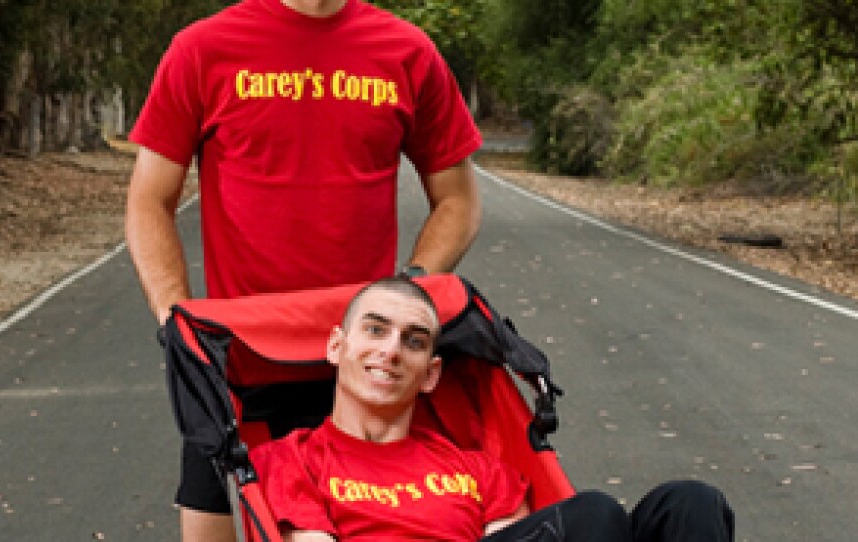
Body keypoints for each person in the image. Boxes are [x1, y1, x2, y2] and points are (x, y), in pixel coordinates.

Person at [125, 0, 482, 538]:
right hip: (236, 362)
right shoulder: (202, 49)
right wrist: (176, 318)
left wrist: (404, 293)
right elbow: (149, 201)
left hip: (360, 372)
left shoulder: (408, 52)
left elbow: (458, 200)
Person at [251, 277, 736, 541]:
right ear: (336, 347)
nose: (391, 351)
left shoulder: (477, 469)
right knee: (594, 516)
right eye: (375, 330)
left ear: (431, 373)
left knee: (690, 503)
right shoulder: (290, 458)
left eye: (413, 341)